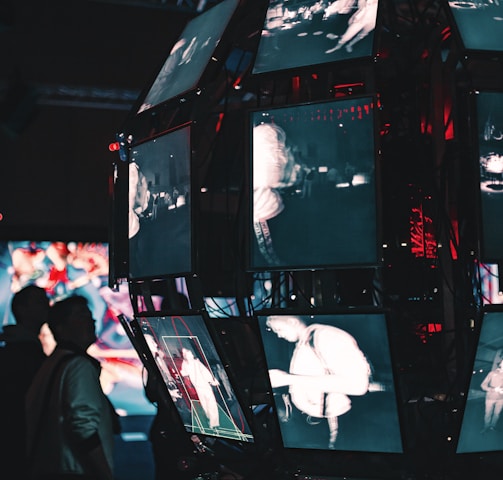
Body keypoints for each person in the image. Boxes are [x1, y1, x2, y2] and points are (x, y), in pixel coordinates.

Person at [25, 295, 119, 479]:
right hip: (75, 471)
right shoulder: (78, 365)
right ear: (61, 327)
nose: (91, 320)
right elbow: (83, 427)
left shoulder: (53, 362)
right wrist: (104, 473)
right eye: (81, 315)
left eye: (89, 314)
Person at [265, 315, 370, 449]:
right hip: (321, 425)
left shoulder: (326, 336)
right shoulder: (305, 341)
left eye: (279, 329)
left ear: (292, 321)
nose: (279, 335)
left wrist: (287, 378)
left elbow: (358, 385)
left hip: (338, 424)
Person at [0, 285, 50, 480]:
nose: (47, 305)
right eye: (39, 301)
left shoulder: (16, 347)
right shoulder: (22, 353)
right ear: (22, 309)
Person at [480, 357, 503, 433]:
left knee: (497, 414)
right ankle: (486, 427)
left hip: (501, 399)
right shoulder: (492, 373)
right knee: (488, 413)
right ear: (500, 364)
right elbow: (483, 385)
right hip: (490, 397)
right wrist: (493, 389)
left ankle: (492, 426)